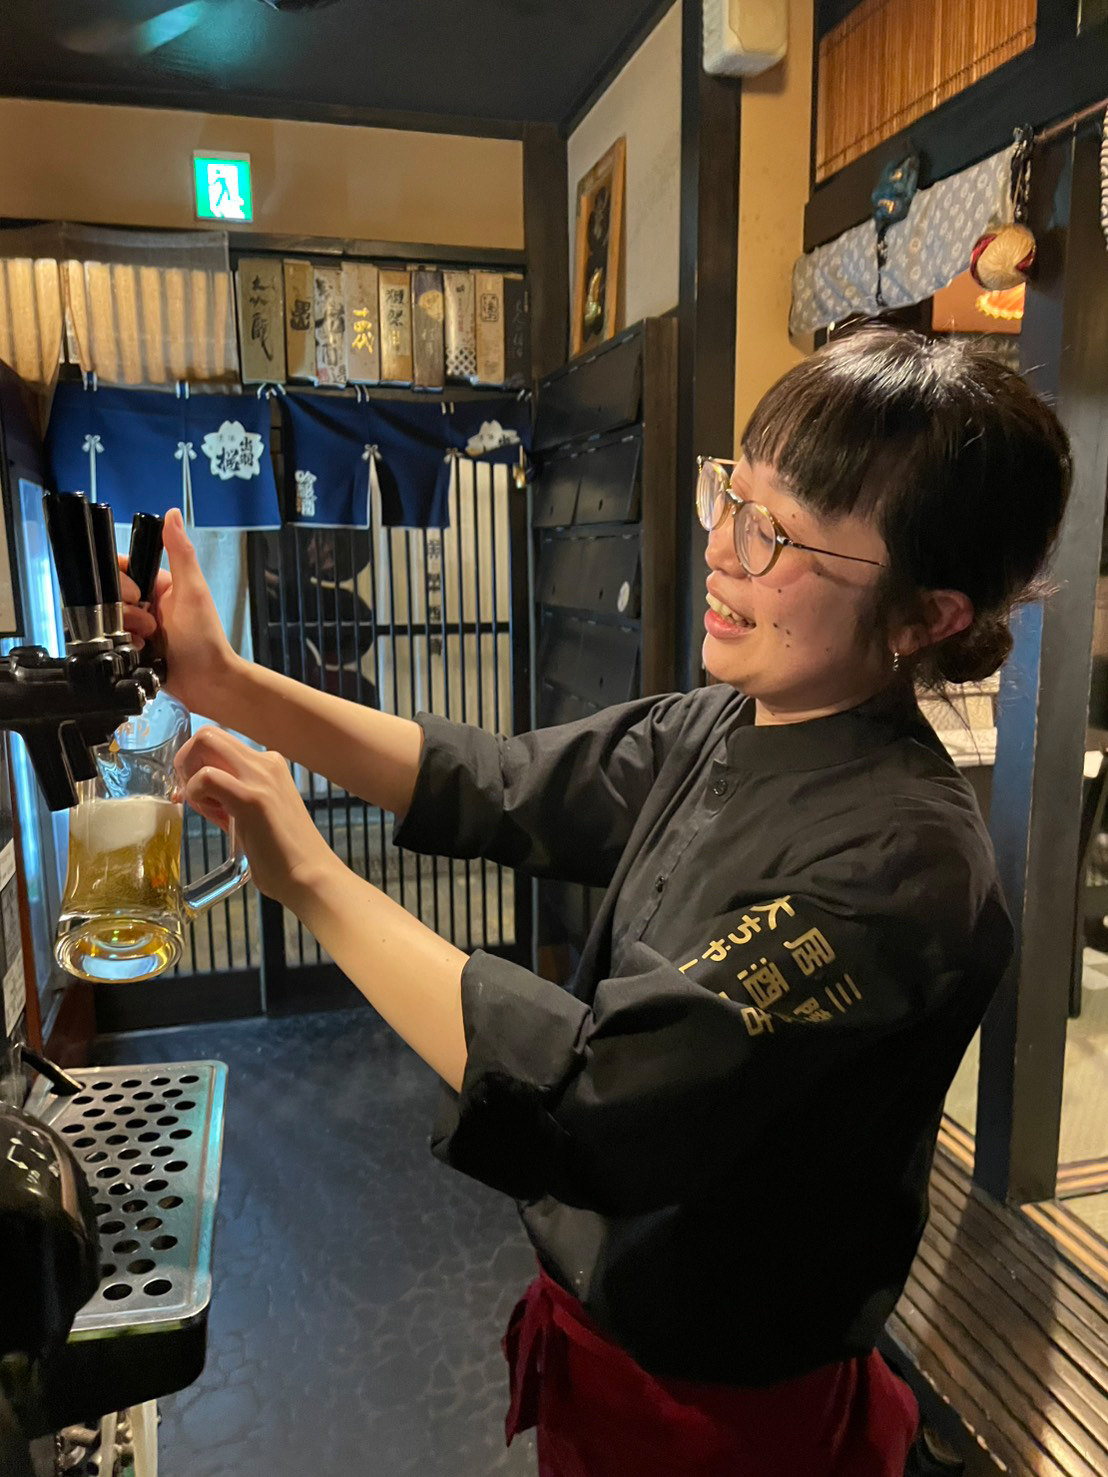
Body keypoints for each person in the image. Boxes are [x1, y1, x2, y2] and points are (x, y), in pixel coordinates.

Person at [120, 329, 1070, 1477]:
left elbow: (599, 1090)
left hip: (726, 1416)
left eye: (776, 535)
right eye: (734, 496)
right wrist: (223, 681)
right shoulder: (725, 719)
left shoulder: (901, 864)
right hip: (607, 1352)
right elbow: (497, 782)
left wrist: (315, 881)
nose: (720, 547)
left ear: (928, 616)